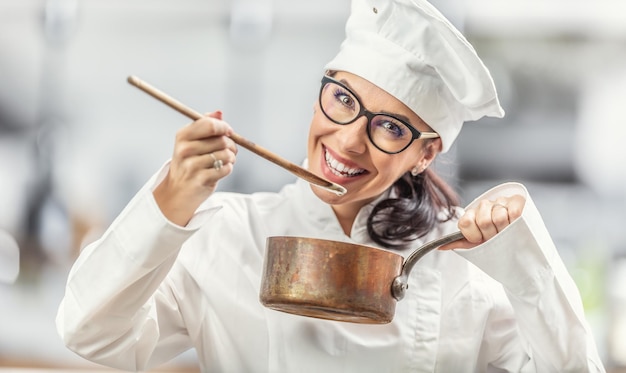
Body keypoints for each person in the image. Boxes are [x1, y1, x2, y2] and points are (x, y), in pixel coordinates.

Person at [56, 0, 605, 372]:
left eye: (389, 127)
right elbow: (90, 335)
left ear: (426, 152)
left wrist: (526, 263)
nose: (347, 141)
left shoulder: (458, 268)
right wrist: (169, 203)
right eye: (342, 99)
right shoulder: (225, 236)